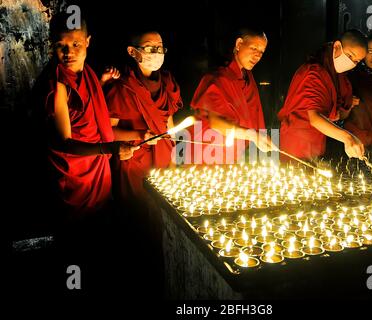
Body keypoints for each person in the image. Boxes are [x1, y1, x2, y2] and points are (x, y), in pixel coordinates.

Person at [32, 13, 138, 219]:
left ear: (88, 41)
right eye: (60, 45)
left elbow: (83, 104)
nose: (68, 52)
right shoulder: (56, 84)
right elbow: (65, 144)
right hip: (75, 175)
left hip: (96, 166)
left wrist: (101, 82)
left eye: (76, 44)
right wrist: (108, 148)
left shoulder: (87, 73)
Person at [105, 30, 183, 204]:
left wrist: (173, 160)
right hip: (134, 163)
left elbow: (169, 126)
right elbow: (107, 132)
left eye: (160, 48)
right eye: (149, 48)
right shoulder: (122, 86)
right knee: (139, 214)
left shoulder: (167, 82)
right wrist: (139, 135)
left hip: (164, 160)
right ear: (132, 51)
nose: (156, 54)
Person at [188, 28, 277, 164]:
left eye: (261, 52)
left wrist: (257, 138)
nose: (258, 56)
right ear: (239, 43)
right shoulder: (218, 78)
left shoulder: (247, 78)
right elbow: (216, 123)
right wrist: (252, 135)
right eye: (254, 48)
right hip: (208, 153)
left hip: (232, 154)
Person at [278, 29, 367, 160]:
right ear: (337, 46)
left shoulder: (337, 75)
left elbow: (339, 114)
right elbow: (314, 118)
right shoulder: (314, 73)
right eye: (350, 56)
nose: (352, 63)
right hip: (297, 145)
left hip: (317, 142)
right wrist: (348, 138)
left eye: (357, 61)